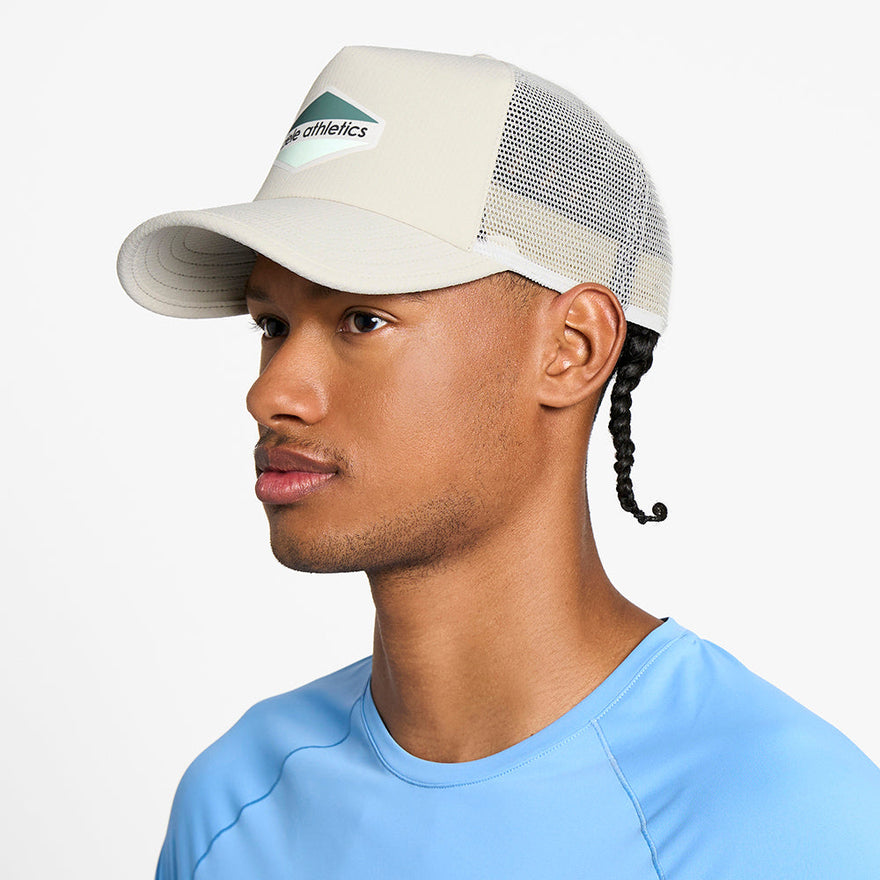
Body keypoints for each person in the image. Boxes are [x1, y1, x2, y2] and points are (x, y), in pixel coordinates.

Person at [117, 46, 880, 880]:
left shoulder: (783, 820)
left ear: (572, 347)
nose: (271, 394)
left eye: (363, 319)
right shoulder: (236, 800)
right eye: (272, 325)